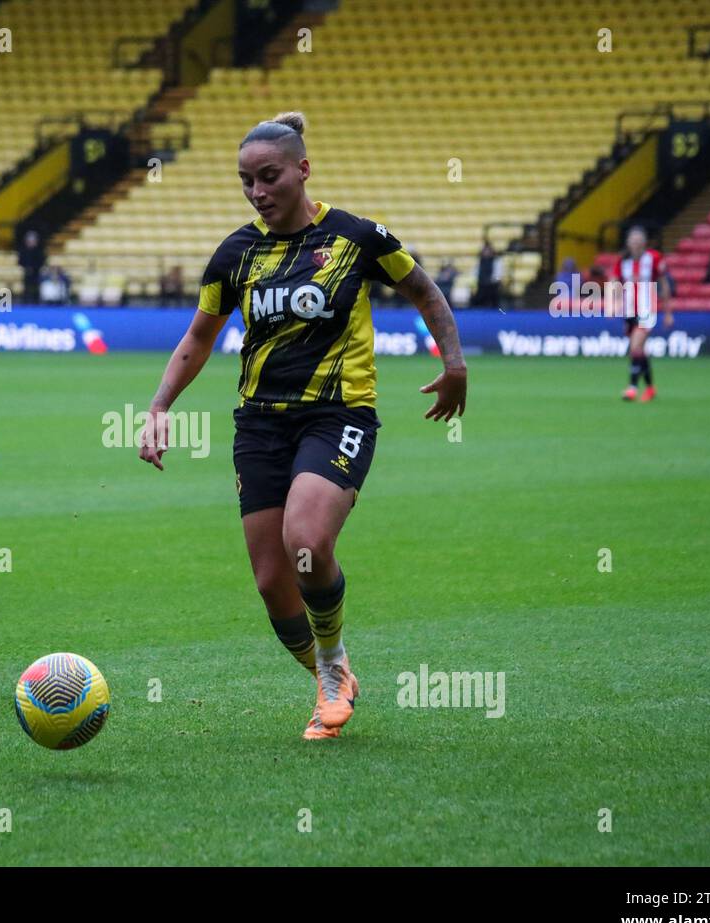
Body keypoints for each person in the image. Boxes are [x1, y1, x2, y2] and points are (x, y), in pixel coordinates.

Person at [137, 111, 466, 741]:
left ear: (302, 170)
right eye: (246, 181)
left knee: (306, 541)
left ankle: (333, 668)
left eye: (269, 177)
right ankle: (326, 672)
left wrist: (453, 364)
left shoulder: (356, 237)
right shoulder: (236, 253)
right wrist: (158, 407)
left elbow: (426, 291)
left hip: (338, 413)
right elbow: (199, 337)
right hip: (259, 424)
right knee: (271, 583)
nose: (258, 192)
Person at [611, 225, 673, 402]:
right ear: (628, 243)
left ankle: (632, 388)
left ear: (644, 243)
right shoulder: (622, 262)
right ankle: (651, 388)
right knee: (640, 351)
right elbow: (615, 281)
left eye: (639, 241)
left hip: (647, 309)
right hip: (629, 311)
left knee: (635, 347)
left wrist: (668, 312)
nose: (636, 244)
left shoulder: (653, 258)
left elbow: (664, 284)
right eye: (633, 241)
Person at [18, 229, 45, 305]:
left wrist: (34, 268)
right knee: (26, 285)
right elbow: (20, 262)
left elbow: (42, 262)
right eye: (29, 240)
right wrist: (26, 268)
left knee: (37, 285)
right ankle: (25, 301)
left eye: (33, 240)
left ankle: (37, 301)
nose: (31, 242)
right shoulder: (23, 251)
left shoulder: (39, 251)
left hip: (37, 272)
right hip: (26, 272)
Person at [473, 240, 501, 308]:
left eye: (488, 250)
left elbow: (498, 274)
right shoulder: (479, 261)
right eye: (485, 250)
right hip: (481, 283)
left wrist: (492, 280)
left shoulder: (496, 261)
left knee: (492, 291)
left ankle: (494, 307)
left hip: (492, 284)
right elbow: (474, 272)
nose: (486, 252)